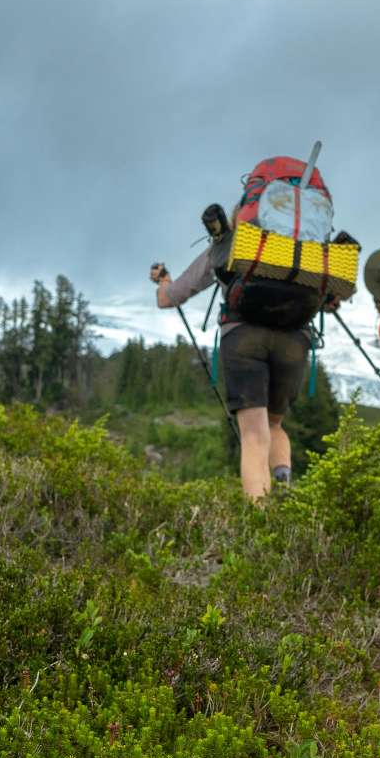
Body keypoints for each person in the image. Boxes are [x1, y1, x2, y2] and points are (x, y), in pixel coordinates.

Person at [152, 154, 347, 501]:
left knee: (254, 436)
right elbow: (332, 299)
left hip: (242, 336)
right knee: (275, 425)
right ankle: (284, 488)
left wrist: (162, 283)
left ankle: (260, 523)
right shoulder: (311, 251)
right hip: (295, 338)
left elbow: (172, 297)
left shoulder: (234, 242)